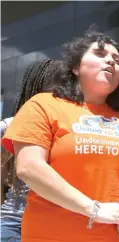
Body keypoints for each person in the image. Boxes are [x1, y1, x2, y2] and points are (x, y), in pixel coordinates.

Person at [2, 28, 119, 242]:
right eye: (100, 54)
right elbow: (29, 167)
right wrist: (92, 208)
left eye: (117, 60)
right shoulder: (43, 106)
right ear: (75, 67)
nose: (111, 61)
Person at [1, 59, 62, 242]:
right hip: (14, 223)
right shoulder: (12, 125)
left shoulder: (72, 126)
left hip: (56, 225)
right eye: (56, 87)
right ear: (36, 88)